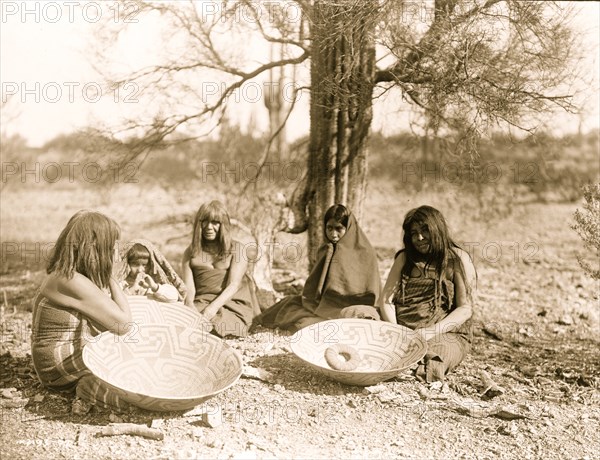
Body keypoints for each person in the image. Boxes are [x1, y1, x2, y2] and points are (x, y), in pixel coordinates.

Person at [31, 210, 133, 413]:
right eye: (112, 248)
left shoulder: (67, 274)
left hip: (56, 361)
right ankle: (88, 387)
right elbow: (124, 325)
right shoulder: (71, 281)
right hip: (57, 369)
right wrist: (112, 277)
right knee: (135, 375)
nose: (116, 254)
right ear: (96, 249)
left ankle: (93, 384)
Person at [380, 205, 477, 383]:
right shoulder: (404, 258)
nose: (420, 238)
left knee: (438, 355)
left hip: (443, 331)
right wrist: (397, 331)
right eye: (414, 233)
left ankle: (406, 367)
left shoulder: (457, 259)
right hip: (400, 326)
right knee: (357, 314)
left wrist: (431, 332)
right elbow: (386, 301)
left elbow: (465, 308)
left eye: (425, 231)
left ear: (438, 230)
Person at [253, 204, 381, 333]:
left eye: (339, 229)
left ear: (348, 228)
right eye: (329, 228)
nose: (333, 234)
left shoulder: (365, 252)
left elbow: (372, 294)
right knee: (289, 305)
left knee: (364, 315)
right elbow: (314, 291)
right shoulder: (327, 250)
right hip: (326, 306)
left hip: (354, 307)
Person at [182, 200, 259, 337]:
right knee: (182, 322)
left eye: (215, 222)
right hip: (200, 303)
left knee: (215, 328)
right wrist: (190, 308)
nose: (209, 227)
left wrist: (209, 312)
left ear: (223, 225)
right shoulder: (190, 252)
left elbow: (233, 285)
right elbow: (189, 289)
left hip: (231, 304)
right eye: (204, 221)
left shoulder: (238, 249)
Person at [118, 239, 187, 303]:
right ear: (127, 264)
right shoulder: (122, 284)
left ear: (151, 264)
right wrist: (132, 289)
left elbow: (174, 297)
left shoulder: (154, 281)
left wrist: (154, 286)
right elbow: (114, 303)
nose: (140, 270)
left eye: (144, 265)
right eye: (135, 265)